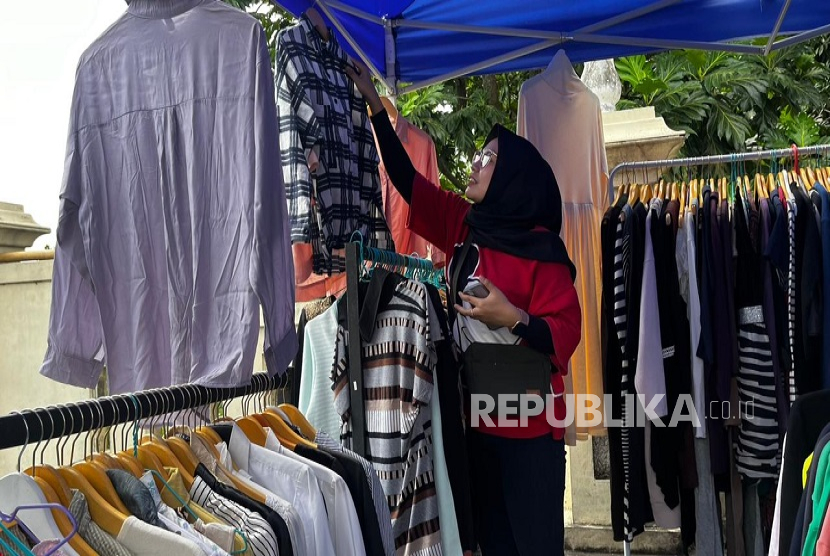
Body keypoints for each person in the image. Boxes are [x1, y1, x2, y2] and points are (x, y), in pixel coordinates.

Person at [346, 60, 582, 556]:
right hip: (473, 422)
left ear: (514, 177)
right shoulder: (464, 226)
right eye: (478, 156)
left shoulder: (542, 252)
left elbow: (566, 333)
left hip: (529, 426)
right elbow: (408, 181)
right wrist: (373, 102)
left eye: (488, 159)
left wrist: (511, 316)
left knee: (534, 545)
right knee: (489, 544)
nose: (475, 164)